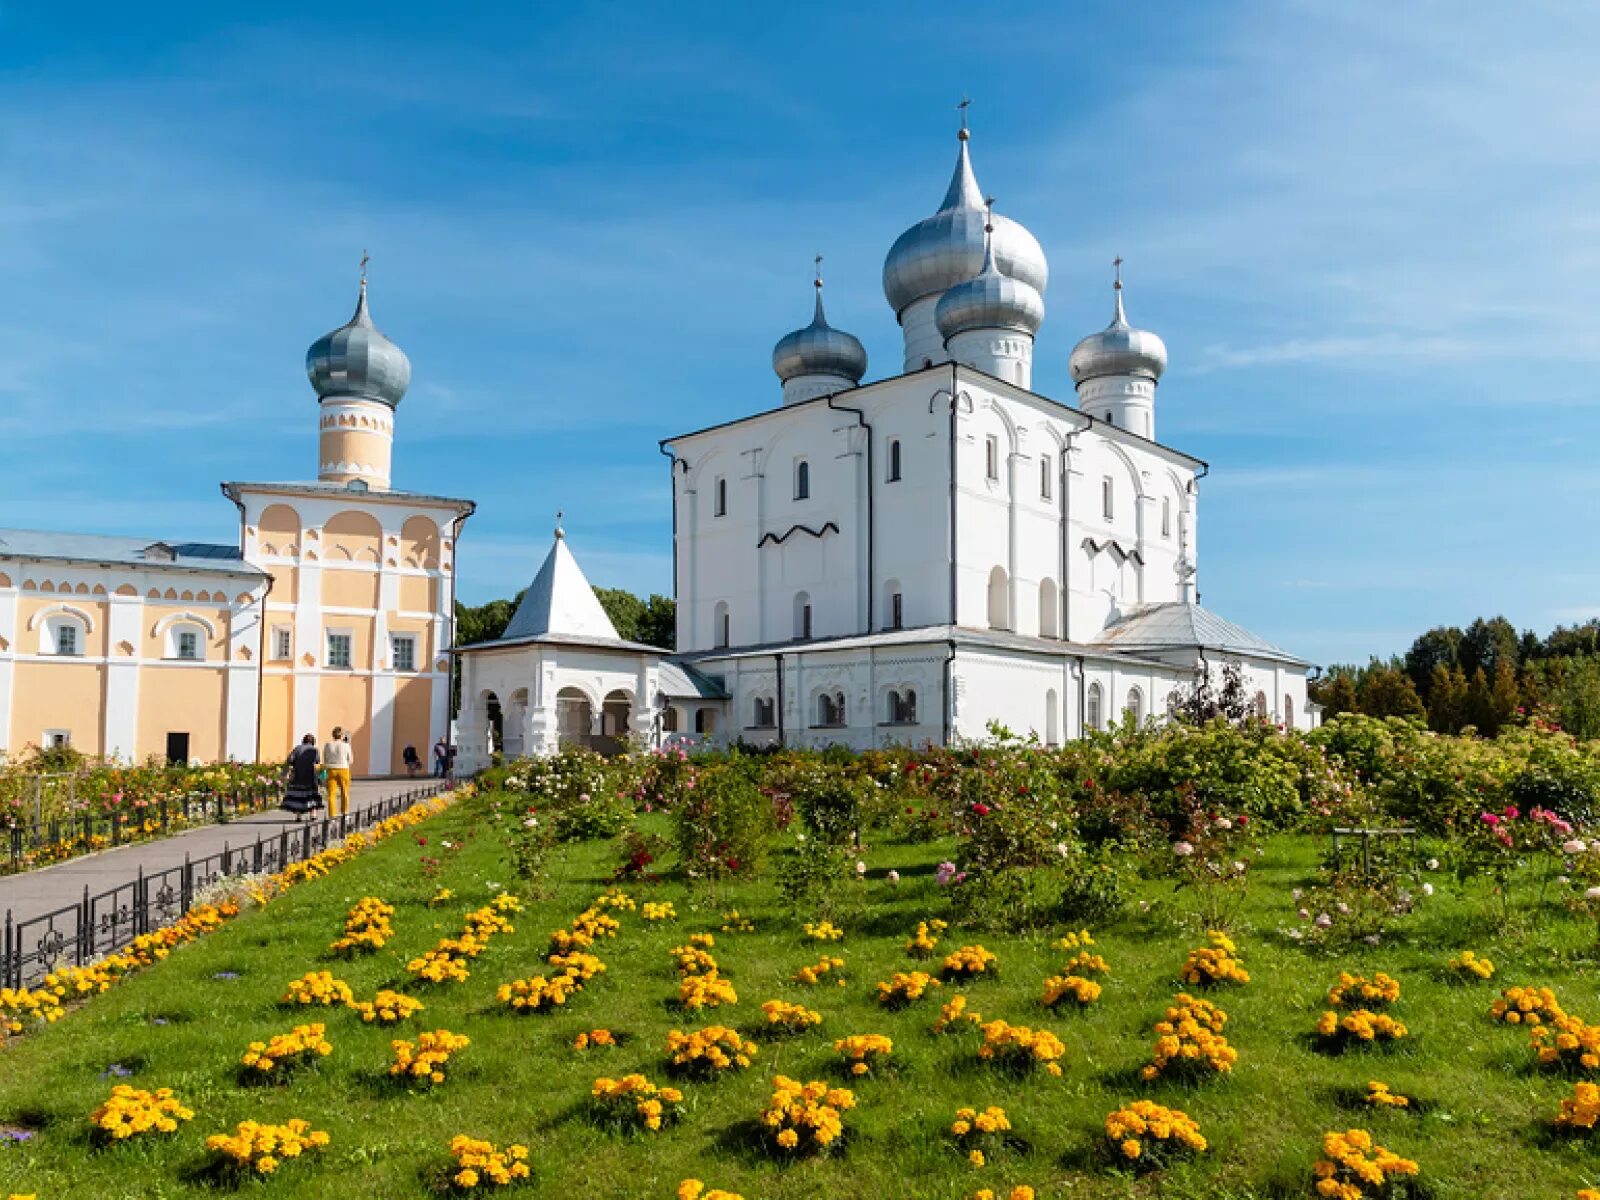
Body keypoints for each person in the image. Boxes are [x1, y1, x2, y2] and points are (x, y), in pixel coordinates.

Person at [282, 734, 321, 819]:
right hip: (310, 775)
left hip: (298, 774)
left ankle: (298, 815)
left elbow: (290, 760)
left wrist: (286, 773)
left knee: (298, 795)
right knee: (312, 794)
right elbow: (317, 761)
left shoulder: (297, 749)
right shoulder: (314, 750)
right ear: (313, 742)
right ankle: (313, 814)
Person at [323, 727, 354, 819]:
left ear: (333, 735)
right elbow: (351, 760)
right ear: (342, 735)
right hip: (343, 769)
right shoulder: (346, 745)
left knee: (331, 794)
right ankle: (345, 813)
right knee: (345, 792)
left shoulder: (328, 745)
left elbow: (325, 758)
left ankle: (332, 815)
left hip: (331, 769)